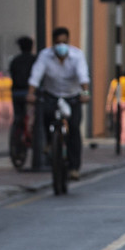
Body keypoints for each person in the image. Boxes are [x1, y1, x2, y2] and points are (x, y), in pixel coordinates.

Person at [30, 27, 91, 178]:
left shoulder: (77, 55)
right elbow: (36, 75)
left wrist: (85, 94)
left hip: (73, 96)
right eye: (58, 42)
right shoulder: (45, 55)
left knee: (74, 128)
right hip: (52, 94)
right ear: (53, 43)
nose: (61, 46)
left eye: (64, 42)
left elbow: (83, 76)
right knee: (46, 115)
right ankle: (50, 142)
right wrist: (30, 93)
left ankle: (74, 167)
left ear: (68, 42)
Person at [8, 36, 38, 168]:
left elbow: (12, 75)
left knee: (18, 116)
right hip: (30, 94)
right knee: (34, 117)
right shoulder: (35, 60)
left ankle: (18, 137)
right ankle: (30, 133)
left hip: (16, 93)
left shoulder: (15, 60)